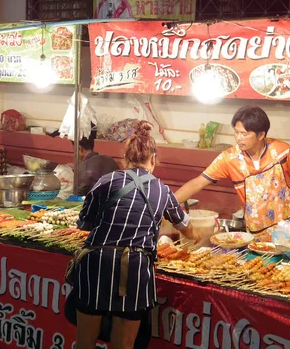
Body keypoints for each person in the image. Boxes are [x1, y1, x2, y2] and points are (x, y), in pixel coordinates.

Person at [73, 121, 200, 349]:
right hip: (133, 268)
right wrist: (197, 237)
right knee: (124, 346)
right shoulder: (162, 190)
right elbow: (186, 228)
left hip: (95, 263)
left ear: (125, 159)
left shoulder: (106, 181)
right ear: (153, 160)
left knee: (84, 343)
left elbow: (85, 223)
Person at [175, 105, 290, 241]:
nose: (238, 138)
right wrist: (167, 203)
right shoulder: (229, 158)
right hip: (257, 234)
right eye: (236, 132)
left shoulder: (281, 151)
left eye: (244, 134)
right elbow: (197, 182)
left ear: (261, 134)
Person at [75, 127, 120, 196]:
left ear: (79, 148)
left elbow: (79, 193)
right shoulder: (111, 161)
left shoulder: (84, 166)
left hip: (95, 203)